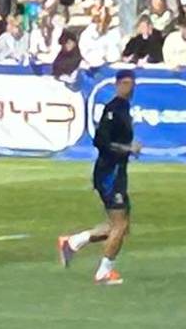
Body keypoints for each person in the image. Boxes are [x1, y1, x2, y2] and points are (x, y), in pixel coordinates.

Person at [57, 68, 141, 286]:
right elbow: (101, 142)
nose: (129, 87)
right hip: (109, 174)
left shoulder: (123, 108)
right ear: (118, 84)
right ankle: (104, 272)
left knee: (121, 226)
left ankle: (73, 242)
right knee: (120, 226)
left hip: (116, 172)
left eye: (131, 83)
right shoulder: (113, 109)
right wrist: (127, 148)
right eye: (125, 83)